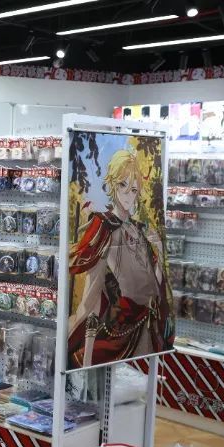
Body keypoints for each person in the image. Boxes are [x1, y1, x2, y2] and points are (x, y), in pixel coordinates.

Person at [68, 147, 171, 367]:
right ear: (112, 185)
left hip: (147, 323)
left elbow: (154, 286)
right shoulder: (105, 226)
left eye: (133, 189)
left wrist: (160, 251)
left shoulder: (139, 230)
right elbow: (93, 288)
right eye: (123, 185)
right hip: (123, 325)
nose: (127, 194)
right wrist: (80, 325)